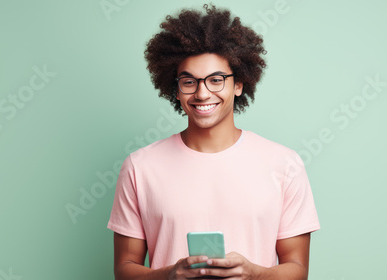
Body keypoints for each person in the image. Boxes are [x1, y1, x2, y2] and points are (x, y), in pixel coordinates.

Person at [107, 4, 320, 280]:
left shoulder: (284, 164)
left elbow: (298, 270)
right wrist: (170, 274)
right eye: (189, 82)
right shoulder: (139, 167)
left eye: (216, 80)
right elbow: (124, 270)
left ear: (239, 84)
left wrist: (254, 274)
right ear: (176, 89)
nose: (202, 93)